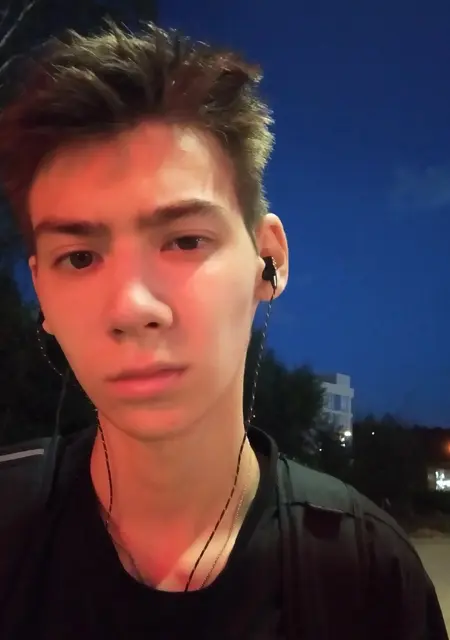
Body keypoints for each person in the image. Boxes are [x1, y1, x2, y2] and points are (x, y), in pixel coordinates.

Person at [0, 20, 447, 640]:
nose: (132, 307)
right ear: (41, 292)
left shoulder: (366, 575)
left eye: (184, 240)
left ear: (269, 260)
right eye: (78, 258)